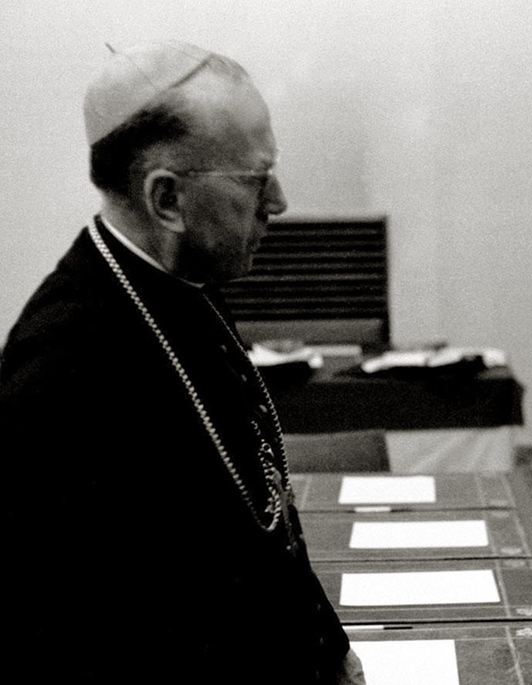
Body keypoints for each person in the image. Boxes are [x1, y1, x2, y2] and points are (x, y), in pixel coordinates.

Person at [0, 41, 364, 683]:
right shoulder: (60, 369)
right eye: (257, 179)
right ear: (166, 200)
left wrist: (327, 646)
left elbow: (265, 508)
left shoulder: (187, 283)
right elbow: (78, 634)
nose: (277, 202)